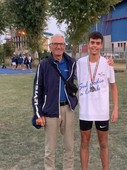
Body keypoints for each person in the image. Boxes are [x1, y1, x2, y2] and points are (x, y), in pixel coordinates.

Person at [32, 34, 78, 170]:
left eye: (61, 44)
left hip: (68, 110)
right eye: (55, 44)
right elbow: (37, 91)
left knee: (69, 148)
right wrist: (38, 114)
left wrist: (106, 62)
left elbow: (88, 70)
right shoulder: (44, 65)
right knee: (50, 150)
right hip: (51, 111)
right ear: (50, 46)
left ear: (65, 46)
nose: (58, 46)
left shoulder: (71, 63)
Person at [77, 31, 118, 170]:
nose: (94, 46)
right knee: (84, 142)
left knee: (104, 143)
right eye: (92, 42)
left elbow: (113, 87)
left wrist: (115, 109)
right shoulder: (80, 63)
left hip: (102, 111)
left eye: (98, 43)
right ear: (88, 44)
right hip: (85, 112)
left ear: (101, 45)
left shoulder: (107, 64)